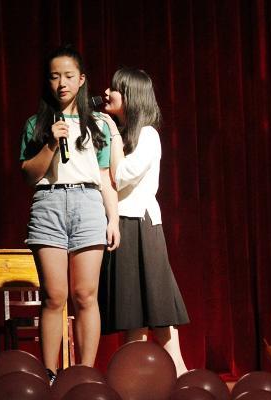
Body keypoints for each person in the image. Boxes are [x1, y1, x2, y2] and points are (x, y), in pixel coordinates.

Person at [19, 44, 120, 383]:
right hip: (48, 204)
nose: (61, 83)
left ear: (81, 79)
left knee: (85, 295)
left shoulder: (99, 124)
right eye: (54, 77)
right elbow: (29, 174)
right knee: (54, 296)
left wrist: (113, 219)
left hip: (88, 203)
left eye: (68, 76)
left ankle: (84, 375)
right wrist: (50, 142)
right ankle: (48, 374)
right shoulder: (36, 124)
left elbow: (105, 178)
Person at [98, 67, 190, 376]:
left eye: (114, 88)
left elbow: (121, 176)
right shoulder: (120, 134)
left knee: (157, 305)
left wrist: (112, 135)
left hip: (140, 224)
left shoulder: (148, 135)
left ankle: (178, 373)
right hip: (121, 223)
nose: (107, 93)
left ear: (131, 96)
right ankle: (136, 378)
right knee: (133, 312)